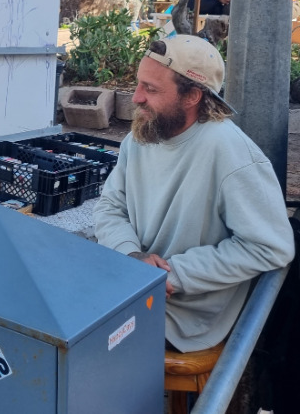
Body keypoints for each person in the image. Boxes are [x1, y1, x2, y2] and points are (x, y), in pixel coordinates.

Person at [94, 34, 294, 353]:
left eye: (151, 89)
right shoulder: (141, 137)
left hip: (182, 314)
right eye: (139, 84)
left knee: (84, 347)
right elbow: (110, 207)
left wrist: (172, 275)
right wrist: (131, 255)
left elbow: (269, 247)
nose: (137, 98)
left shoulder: (230, 153)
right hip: (131, 284)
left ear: (192, 96)